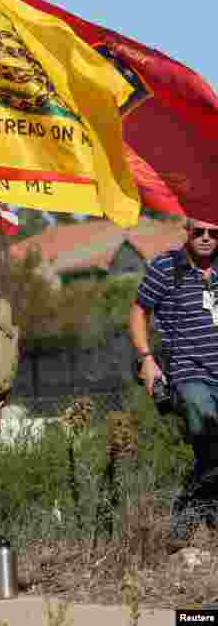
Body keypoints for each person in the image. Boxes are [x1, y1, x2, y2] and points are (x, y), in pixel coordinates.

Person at [130, 216, 218, 543]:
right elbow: (139, 312)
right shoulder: (166, 267)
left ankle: (188, 516)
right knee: (207, 429)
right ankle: (189, 519)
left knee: (212, 453)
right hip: (188, 374)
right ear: (187, 230)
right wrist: (146, 359)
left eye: (214, 232)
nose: (206, 238)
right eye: (199, 231)